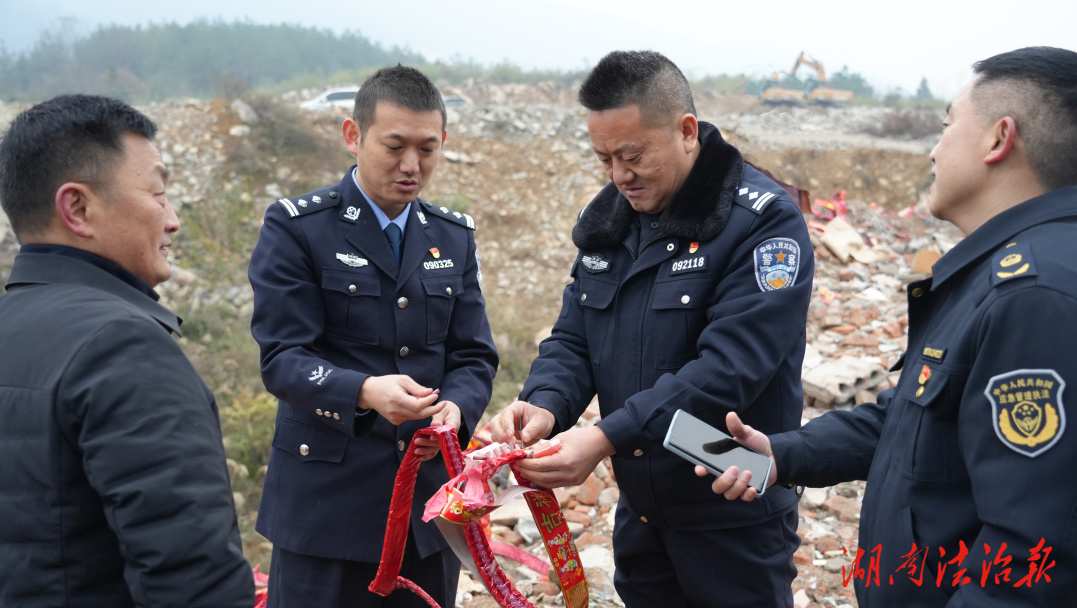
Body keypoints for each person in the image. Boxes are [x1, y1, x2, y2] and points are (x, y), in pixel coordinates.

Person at [705, 46, 1077, 607]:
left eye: (947, 126)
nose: (932, 151)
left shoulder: (1035, 294)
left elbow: (1030, 560)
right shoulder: (1002, 273)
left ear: (999, 140)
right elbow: (910, 418)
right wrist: (782, 455)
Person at [490, 50, 814, 607]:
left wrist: (604, 437)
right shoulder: (611, 221)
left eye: (633, 155)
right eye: (605, 158)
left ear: (687, 132)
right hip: (644, 511)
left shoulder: (762, 222)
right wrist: (544, 405)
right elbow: (574, 339)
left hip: (731, 511)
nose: (620, 175)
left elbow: (728, 370)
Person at [248, 65, 498, 608]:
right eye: (395, 146)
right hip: (324, 508)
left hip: (426, 514)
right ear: (353, 136)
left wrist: (456, 407)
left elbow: (474, 355)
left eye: (428, 149)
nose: (412, 165)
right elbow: (284, 358)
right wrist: (364, 391)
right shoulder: (298, 228)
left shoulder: (452, 237)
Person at [0, 95, 253, 606]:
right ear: (78, 207)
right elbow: (193, 581)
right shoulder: (123, 347)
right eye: (158, 193)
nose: (174, 219)